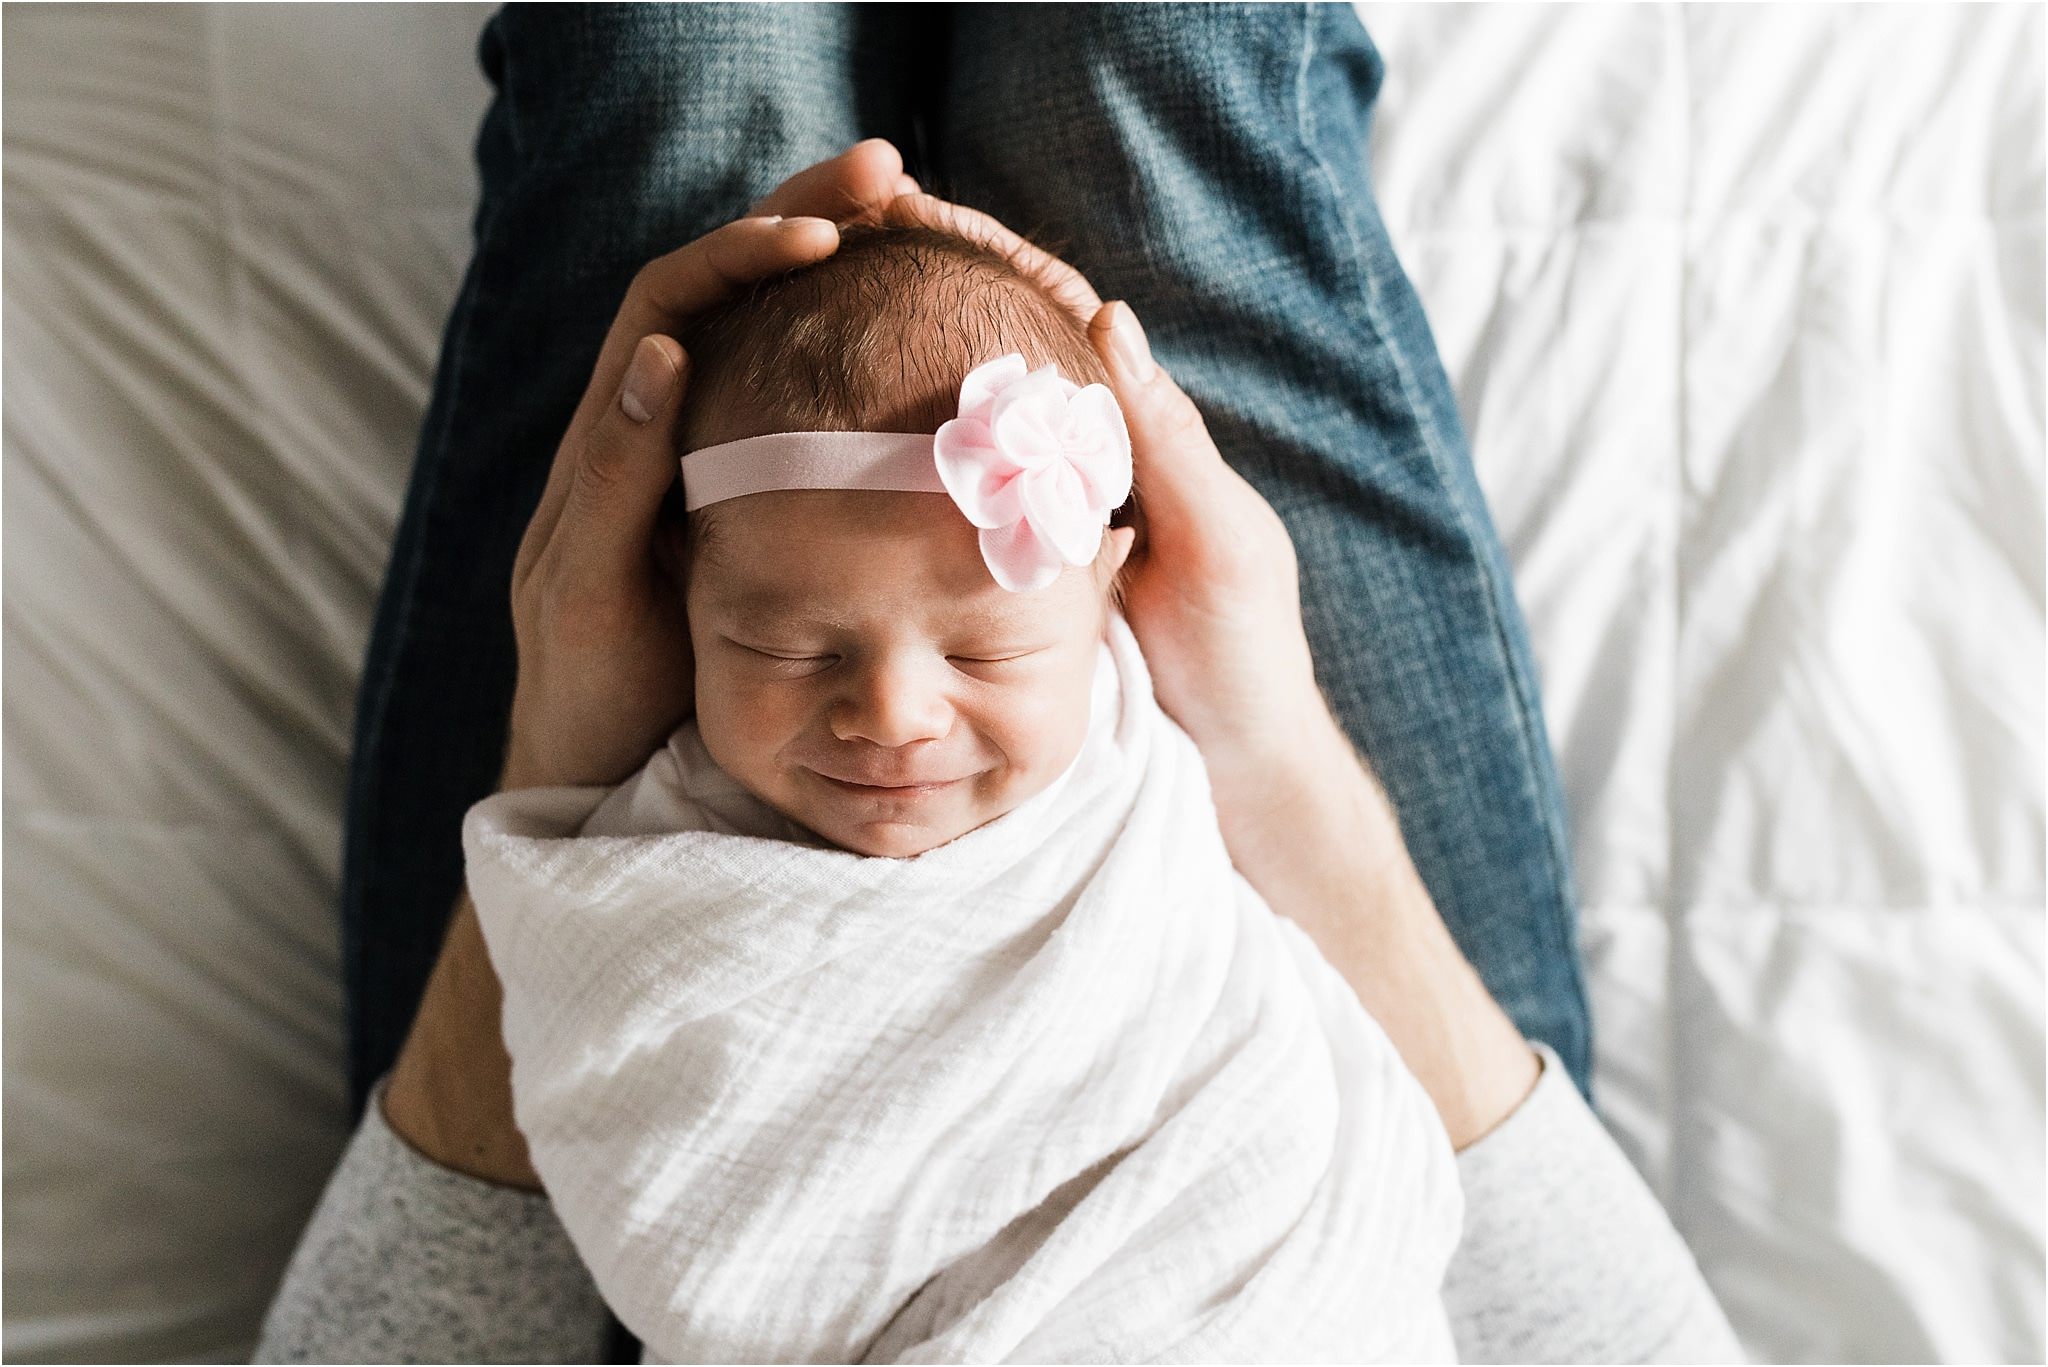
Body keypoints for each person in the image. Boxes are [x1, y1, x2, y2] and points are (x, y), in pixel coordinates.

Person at [260, 7, 1742, 1362]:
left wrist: (569, 781)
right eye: (799, 644)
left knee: (671, 52)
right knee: (1155, 51)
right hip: (1362, 1026)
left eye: (978, 650)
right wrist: (1271, 752)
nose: (898, 716)